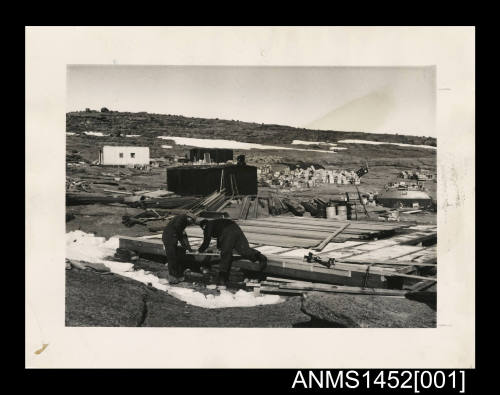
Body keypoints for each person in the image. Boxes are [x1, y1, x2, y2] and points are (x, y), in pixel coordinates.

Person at [198, 218, 267, 286]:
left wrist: (200, 250)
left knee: (225, 253)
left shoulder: (208, 226)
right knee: (243, 249)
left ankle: (223, 278)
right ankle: (260, 257)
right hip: (235, 227)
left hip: (228, 231)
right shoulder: (216, 223)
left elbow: (206, 240)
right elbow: (220, 236)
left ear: (204, 226)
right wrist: (219, 247)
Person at [162, 214, 195, 284]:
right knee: (172, 257)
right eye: (191, 221)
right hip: (168, 237)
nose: (191, 223)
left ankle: (177, 275)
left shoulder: (184, 222)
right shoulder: (181, 218)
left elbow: (182, 236)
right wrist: (183, 236)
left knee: (176, 257)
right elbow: (179, 230)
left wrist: (188, 248)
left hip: (173, 237)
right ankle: (172, 277)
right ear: (189, 218)